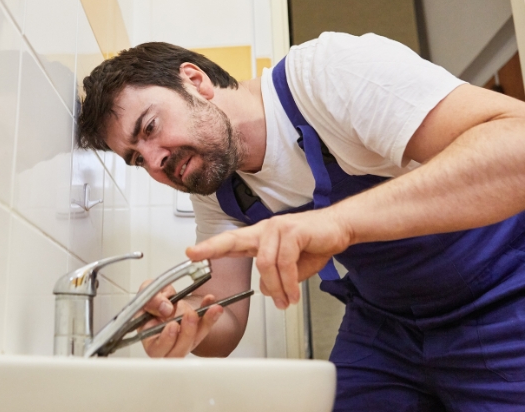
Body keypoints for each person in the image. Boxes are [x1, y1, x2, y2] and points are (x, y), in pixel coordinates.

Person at [76, 32, 525, 410]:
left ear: (195, 81)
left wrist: (342, 222)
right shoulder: (217, 186)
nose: (157, 163)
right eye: (138, 159)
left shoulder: (327, 76)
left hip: (503, 295)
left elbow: (517, 144)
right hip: (387, 324)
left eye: (150, 128)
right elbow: (227, 325)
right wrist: (185, 324)